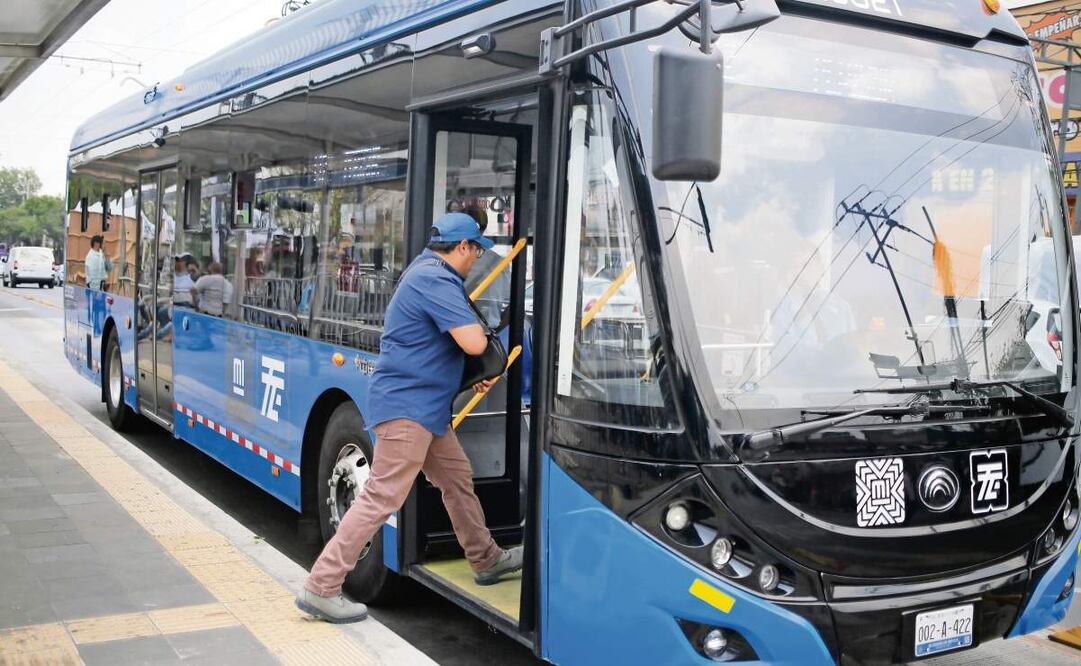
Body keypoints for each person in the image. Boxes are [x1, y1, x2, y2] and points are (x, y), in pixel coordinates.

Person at [296, 212, 523, 624]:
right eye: (476, 251)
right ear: (463, 247)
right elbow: (472, 341)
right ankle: (321, 586)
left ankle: (485, 559)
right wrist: (480, 354)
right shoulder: (434, 279)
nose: (477, 261)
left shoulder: (426, 272)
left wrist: (470, 376)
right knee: (382, 496)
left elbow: (438, 346)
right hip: (408, 410)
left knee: (456, 479)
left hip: (426, 410)